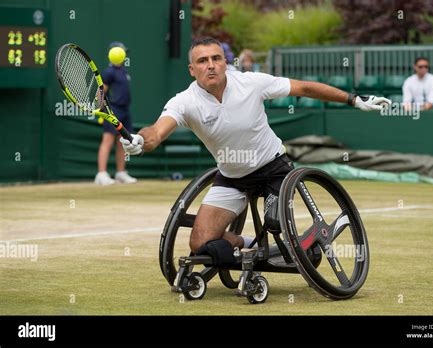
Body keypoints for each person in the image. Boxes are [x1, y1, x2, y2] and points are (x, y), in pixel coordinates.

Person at [120, 37, 390, 263]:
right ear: (192, 70)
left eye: (216, 58)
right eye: (203, 61)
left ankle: (305, 245)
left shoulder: (251, 82)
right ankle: (249, 244)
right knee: (200, 242)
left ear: (225, 63)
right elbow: (156, 132)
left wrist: (354, 99)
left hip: (274, 169)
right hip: (232, 178)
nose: (211, 66)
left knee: (274, 223)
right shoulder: (184, 102)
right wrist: (141, 142)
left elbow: (305, 87)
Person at [94, 42, 137, 185]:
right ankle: (101, 174)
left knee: (122, 142)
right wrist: (101, 109)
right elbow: (101, 93)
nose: (124, 53)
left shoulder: (124, 71)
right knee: (107, 140)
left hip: (125, 110)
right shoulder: (109, 72)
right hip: (113, 111)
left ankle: (120, 173)